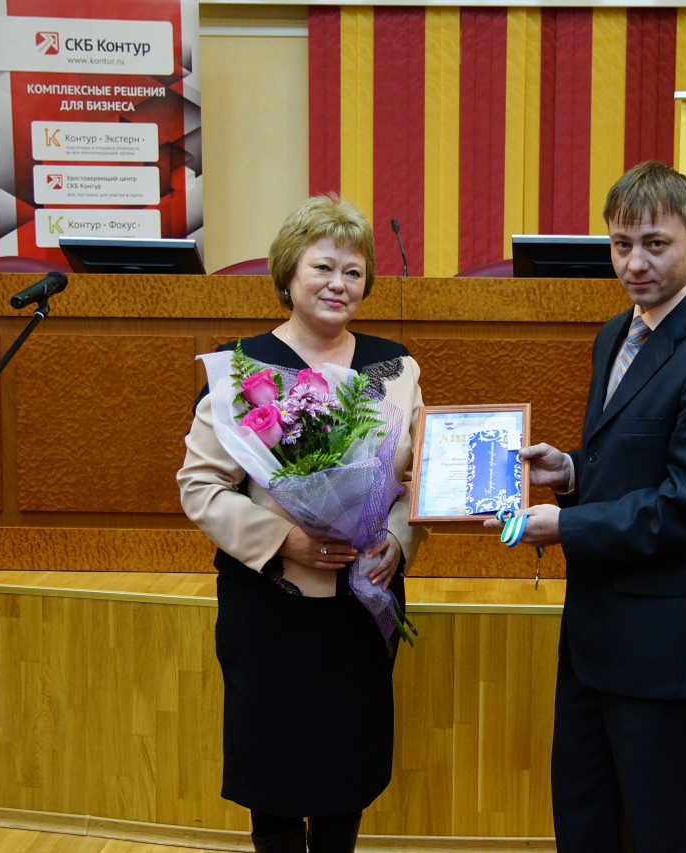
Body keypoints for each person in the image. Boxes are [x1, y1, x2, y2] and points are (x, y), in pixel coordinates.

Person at [487, 161, 686, 852]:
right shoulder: (615, 333)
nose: (634, 263)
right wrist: (570, 471)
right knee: (584, 821)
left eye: (654, 243)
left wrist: (565, 525)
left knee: (660, 831)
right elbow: (625, 462)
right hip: (596, 635)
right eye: (621, 244)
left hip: (665, 646)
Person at [177, 194, 426, 853]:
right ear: (288, 273)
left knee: (347, 775)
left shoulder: (396, 368)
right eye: (323, 267)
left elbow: (415, 481)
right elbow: (199, 487)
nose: (338, 283)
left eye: (353, 271)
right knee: (275, 777)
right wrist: (286, 539)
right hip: (272, 608)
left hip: (362, 606)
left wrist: (398, 540)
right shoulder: (240, 367)